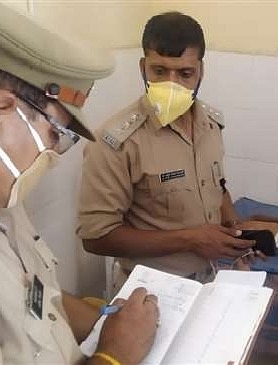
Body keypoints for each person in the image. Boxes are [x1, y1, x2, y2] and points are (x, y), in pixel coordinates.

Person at [0, 5, 159, 364]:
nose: (55, 154)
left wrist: (104, 322)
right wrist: (114, 354)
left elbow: (33, 298)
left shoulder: (8, 205)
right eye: (56, 133)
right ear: (4, 107)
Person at [77, 11, 253, 285]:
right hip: (148, 288)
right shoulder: (114, 142)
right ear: (142, 68)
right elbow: (96, 238)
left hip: (209, 276)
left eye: (184, 73)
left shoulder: (211, 125)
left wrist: (235, 236)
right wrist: (192, 240)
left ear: (200, 72)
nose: (172, 85)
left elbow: (217, 187)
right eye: (159, 71)